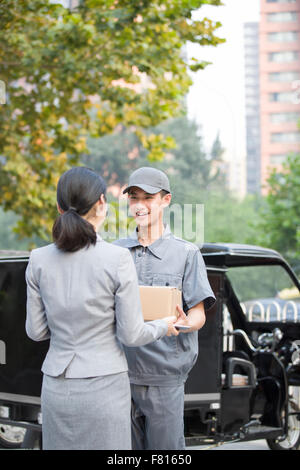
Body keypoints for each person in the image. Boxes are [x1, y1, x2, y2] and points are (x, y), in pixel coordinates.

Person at [25, 166, 179, 450]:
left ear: (59, 207)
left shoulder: (38, 259)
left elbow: (35, 331)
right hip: (104, 386)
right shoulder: (117, 258)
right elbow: (131, 334)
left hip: (56, 387)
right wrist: (163, 324)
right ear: (101, 204)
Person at [114, 166, 216, 450]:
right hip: (119, 374)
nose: (139, 205)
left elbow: (198, 314)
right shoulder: (114, 252)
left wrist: (184, 323)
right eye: (134, 197)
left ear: (166, 200)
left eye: (148, 197)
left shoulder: (186, 254)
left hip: (164, 376)